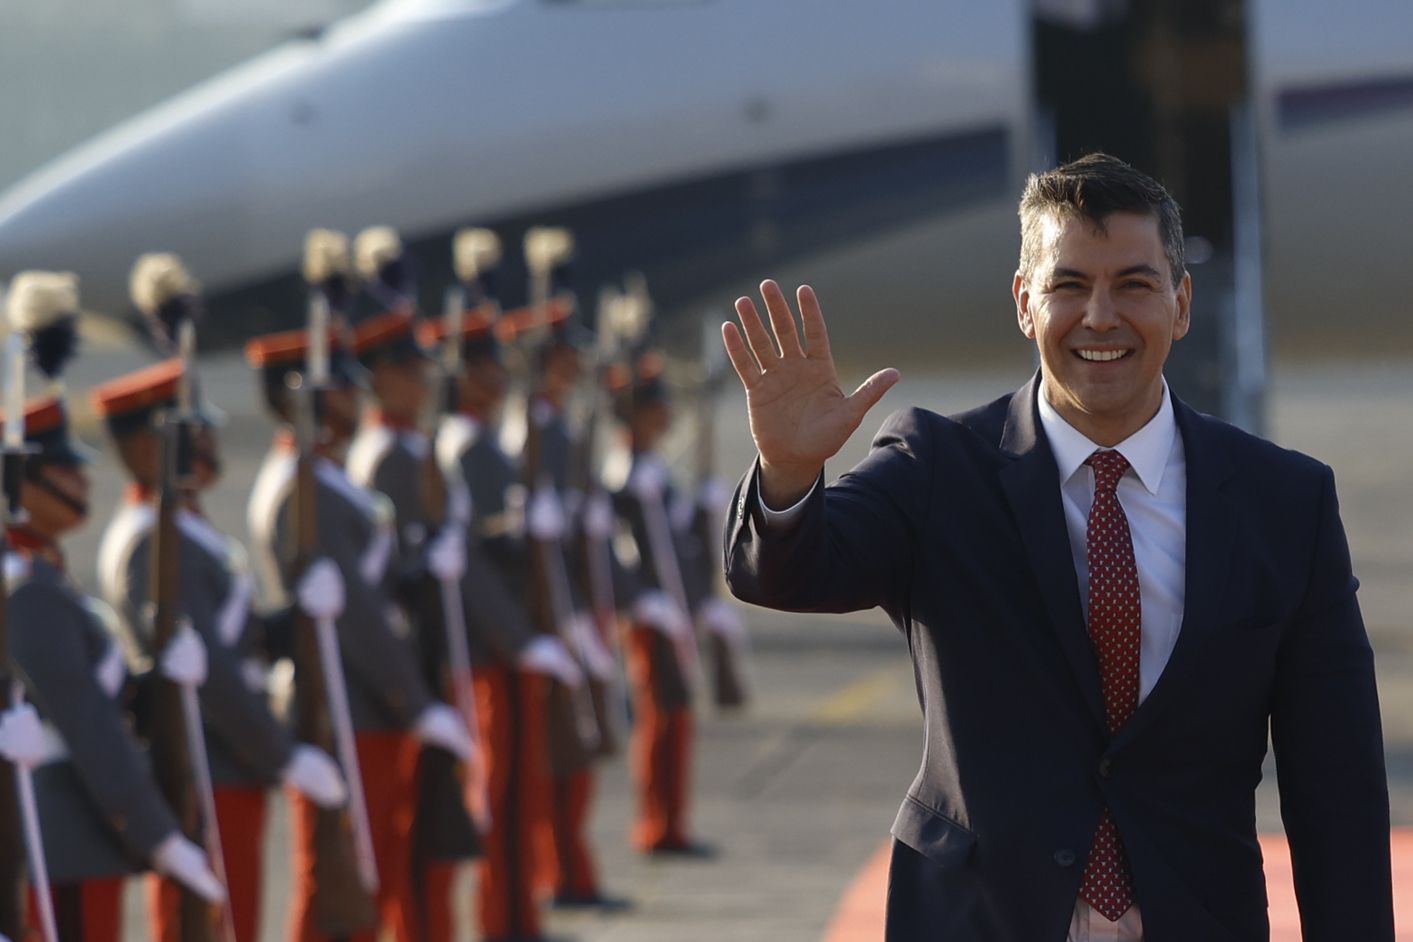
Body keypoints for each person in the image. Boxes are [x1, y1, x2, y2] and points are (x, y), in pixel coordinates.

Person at [721, 154, 1393, 941]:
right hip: (981, 921)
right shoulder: (938, 466)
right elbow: (790, 572)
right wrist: (789, 472)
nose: (1099, 316)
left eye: (1133, 285)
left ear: (1180, 305)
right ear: (1023, 303)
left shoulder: (1284, 503)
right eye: (1068, 285)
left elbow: (1335, 789)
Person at [91, 340, 347, 942]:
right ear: (147, 449)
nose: (208, 448)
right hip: (204, 756)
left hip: (230, 758)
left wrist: (290, 620)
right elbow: (209, 672)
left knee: (238, 915)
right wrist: (281, 752)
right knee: (208, 921)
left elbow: (234, 638)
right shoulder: (151, 539)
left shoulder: (187, 525)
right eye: (193, 437)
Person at [0, 271, 224, 942]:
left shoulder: (43, 576)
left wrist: (157, 682)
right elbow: (88, 722)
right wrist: (158, 836)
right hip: (57, 837)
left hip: (73, 831)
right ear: (19, 484)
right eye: (61, 470)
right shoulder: (28, 590)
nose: (80, 479)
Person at [244, 322, 471, 942]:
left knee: (376, 878)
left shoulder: (328, 475)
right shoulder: (301, 487)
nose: (357, 396)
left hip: (368, 703)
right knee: (340, 887)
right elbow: (358, 619)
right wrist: (416, 703)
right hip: (342, 703)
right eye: (342, 387)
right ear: (306, 397)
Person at [422, 307, 582, 942]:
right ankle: (503, 916)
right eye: (484, 364)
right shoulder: (467, 445)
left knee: (521, 789)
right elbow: (481, 559)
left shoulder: (481, 440)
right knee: (504, 792)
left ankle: (515, 911)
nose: (498, 375)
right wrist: (523, 639)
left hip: (508, 641)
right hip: (494, 648)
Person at [608, 351, 710, 857]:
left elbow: (680, 544)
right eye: (657, 406)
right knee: (658, 717)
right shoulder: (623, 471)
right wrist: (642, 600)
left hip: (675, 612)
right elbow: (613, 551)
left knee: (678, 716)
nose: (667, 415)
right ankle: (654, 824)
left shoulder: (654, 469)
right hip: (651, 617)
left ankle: (674, 821)